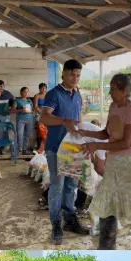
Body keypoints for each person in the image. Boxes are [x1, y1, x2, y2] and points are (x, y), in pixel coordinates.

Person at [81, 74, 131, 250]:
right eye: (110, 88)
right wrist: (85, 133)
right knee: (108, 205)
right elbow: (107, 133)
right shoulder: (113, 106)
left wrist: (96, 145)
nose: (110, 91)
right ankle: (106, 248)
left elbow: (127, 142)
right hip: (115, 161)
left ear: (124, 90)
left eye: (113, 88)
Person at [41, 59, 89, 245]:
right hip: (56, 148)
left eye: (77, 75)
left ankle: (70, 218)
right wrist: (63, 121)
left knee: (71, 185)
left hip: (73, 148)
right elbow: (44, 117)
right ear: (63, 73)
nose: (75, 78)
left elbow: (79, 119)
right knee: (57, 186)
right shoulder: (54, 93)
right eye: (71, 74)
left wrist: (82, 137)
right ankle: (55, 223)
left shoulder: (77, 94)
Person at [0, 79, 15, 157]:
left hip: (5, 115)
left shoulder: (7, 93)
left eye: (1, 86)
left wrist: (12, 108)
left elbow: (14, 101)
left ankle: (3, 147)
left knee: (4, 130)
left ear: (3, 86)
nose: (0, 88)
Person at [13, 86, 34, 158]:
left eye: (27, 91)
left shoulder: (30, 101)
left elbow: (32, 111)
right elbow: (13, 111)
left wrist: (31, 111)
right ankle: (20, 150)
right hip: (20, 119)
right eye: (25, 91)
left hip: (29, 119)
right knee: (20, 134)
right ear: (21, 92)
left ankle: (24, 149)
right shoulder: (17, 101)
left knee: (27, 135)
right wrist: (21, 110)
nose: (26, 93)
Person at [33, 83, 48, 154]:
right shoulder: (37, 96)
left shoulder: (48, 95)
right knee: (40, 131)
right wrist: (42, 113)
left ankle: (43, 147)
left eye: (45, 88)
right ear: (39, 88)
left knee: (46, 131)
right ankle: (40, 147)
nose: (43, 89)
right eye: (42, 88)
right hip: (39, 114)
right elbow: (35, 107)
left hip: (48, 115)